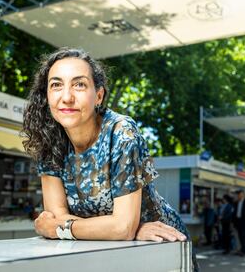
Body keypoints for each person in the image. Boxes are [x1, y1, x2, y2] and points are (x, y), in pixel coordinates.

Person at [21, 48, 198, 269]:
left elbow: (119, 227)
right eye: (56, 85)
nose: (66, 97)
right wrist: (126, 230)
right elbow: (56, 216)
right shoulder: (48, 139)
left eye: (79, 84)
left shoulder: (121, 131)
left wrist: (61, 229)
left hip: (160, 245)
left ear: (99, 96)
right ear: (46, 96)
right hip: (105, 249)